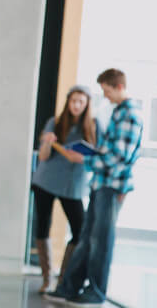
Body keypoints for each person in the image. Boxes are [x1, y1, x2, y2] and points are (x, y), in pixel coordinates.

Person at [45, 69, 143, 307]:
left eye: (107, 91)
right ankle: (70, 288)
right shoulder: (119, 112)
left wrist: (86, 160)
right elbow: (110, 152)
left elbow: (119, 158)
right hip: (101, 183)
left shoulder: (130, 114)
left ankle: (95, 292)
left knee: (100, 242)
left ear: (119, 87)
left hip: (112, 186)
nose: (106, 97)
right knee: (87, 238)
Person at [31, 85, 100, 293]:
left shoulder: (94, 127)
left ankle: (63, 279)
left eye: (81, 102)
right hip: (47, 180)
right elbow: (43, 157)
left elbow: (98, 155)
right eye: (73, 101)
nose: (77, 105)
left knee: (79, 231)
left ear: (87, 104)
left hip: (73, 185)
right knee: (42, 226)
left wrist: (84, 158)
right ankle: (46, 278)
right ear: (68, 102)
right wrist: (47, 142)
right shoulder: (56, 122)